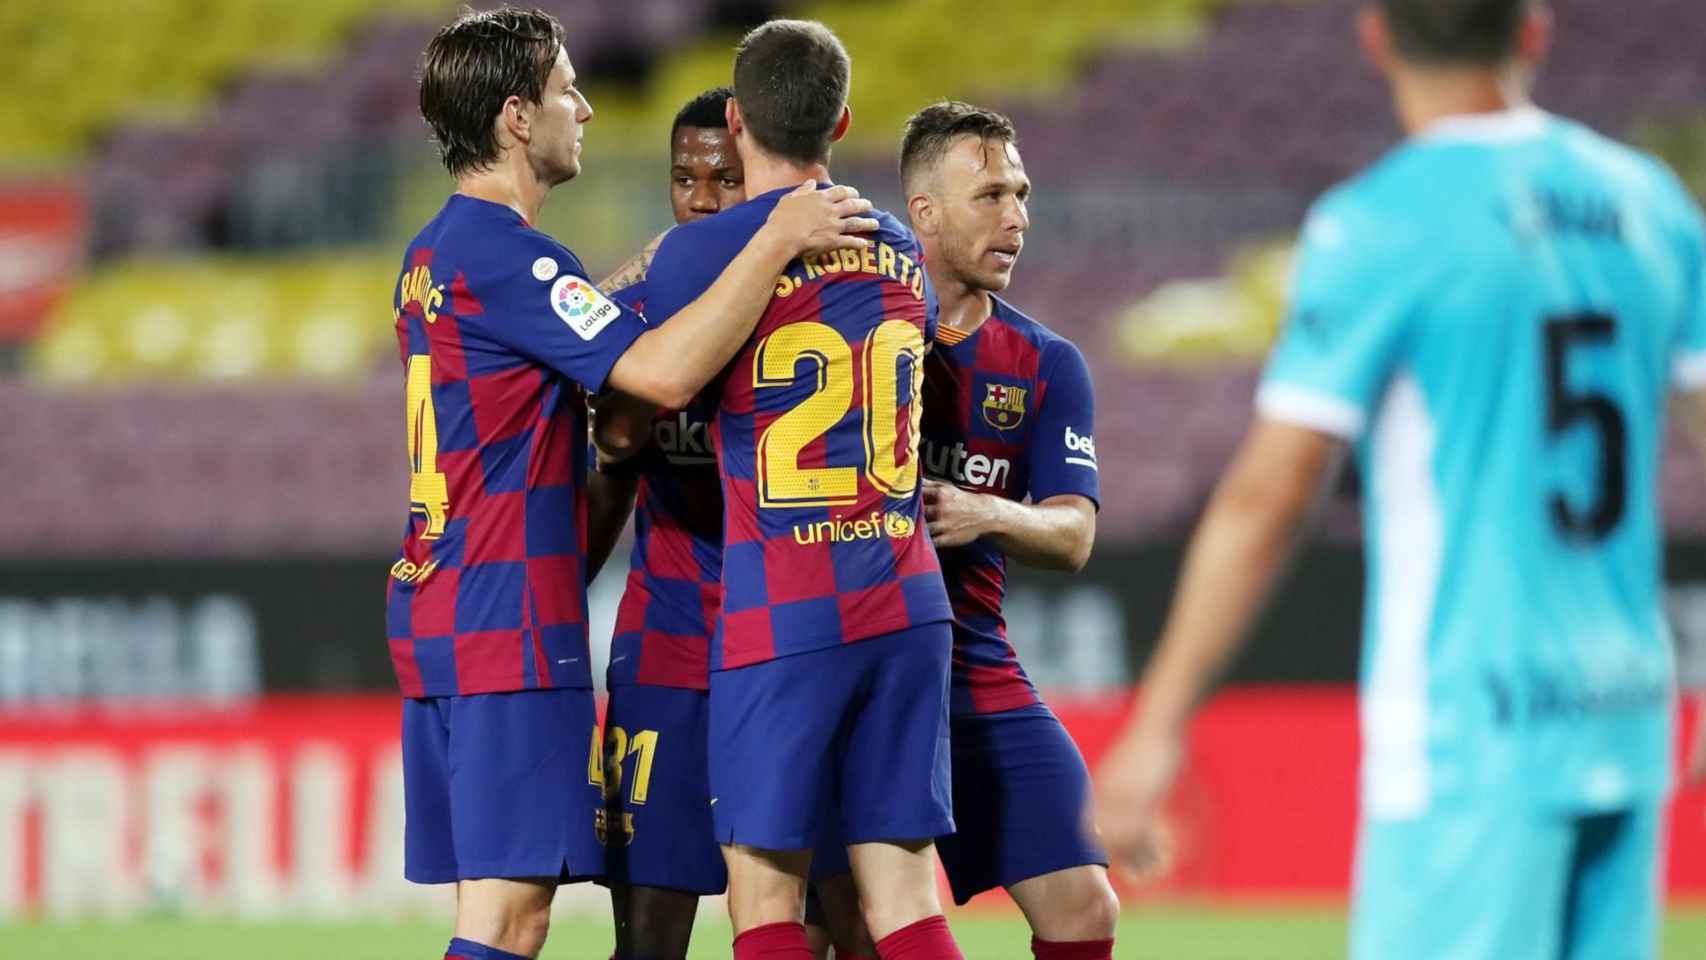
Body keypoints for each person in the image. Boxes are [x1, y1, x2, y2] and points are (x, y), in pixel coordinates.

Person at [1092, 2, 1706, 958]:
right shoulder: (1648, 201)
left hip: (1472, 732)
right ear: (1533, 31)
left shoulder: (1381, 222)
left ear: (1375, 35)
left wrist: (1156, 724)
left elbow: (1272, 494)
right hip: (1625, 713)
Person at [389, 10, 875, 960]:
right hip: (508, 622)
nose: (587, 107)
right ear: (518, 118)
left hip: (440, 604)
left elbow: (552, 341)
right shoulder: (513, 254)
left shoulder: (432, 258)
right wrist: (774, 240)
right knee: (508, 915)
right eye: (568, 88)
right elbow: (658, 378)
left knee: (493, 909)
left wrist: (649, 272)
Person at [637, 19, 965, 960]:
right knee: (902, 894)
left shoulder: (701, 254)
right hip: (906, 597)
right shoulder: (901, 248)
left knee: (765, 892)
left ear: (735, 122)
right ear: (843, 120)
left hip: (784, 607)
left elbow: (649, 370)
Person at [807, 102, 1118, 960]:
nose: (1016, 216)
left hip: (972, 673)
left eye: (1021, 194)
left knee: (1085, 908)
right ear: (925, 213)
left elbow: (1073, 535)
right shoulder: (842, 334)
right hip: (849, 666)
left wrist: (985, 512)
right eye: (989, 195)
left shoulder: (1046, 363)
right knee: (838, 931)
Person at [584, 86, 749, 960]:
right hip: (668, 630)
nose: (704, 200)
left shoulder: (816, 304)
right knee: (647, 936)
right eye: (685, 180)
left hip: (787, 632)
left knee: (812, 920)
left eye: (725, 178)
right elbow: (608, 462)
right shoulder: (640, 301)